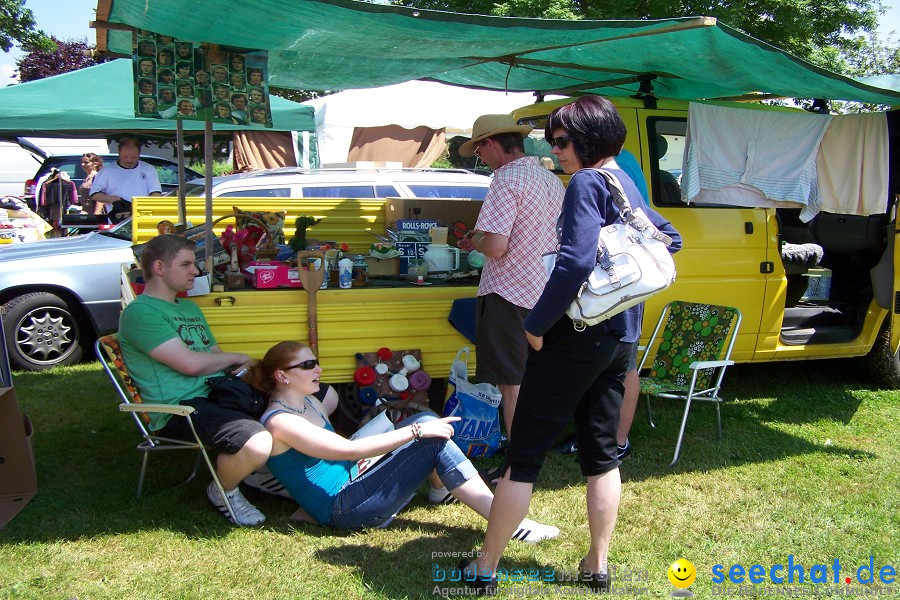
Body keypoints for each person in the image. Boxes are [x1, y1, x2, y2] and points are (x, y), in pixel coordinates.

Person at [461, 96, 681, 594]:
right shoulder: (621, 179)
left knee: (524, 456)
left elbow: (576, 261)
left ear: (585, 140)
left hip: (576, 335)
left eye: (560, 141)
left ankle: (485, 568)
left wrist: (537, 324)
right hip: (620, 336)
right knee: (602, 455)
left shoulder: (585, 181)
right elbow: (670, 238)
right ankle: (597, 565)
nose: (554, 150)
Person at [246, 340, 560, 541]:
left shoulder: (309, 401)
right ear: (282, 376)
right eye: (308, 365)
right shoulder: (281, 422)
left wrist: (411, 429)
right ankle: (508, 521)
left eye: (315, 361)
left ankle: (440, 491)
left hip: (353, 481)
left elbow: (338, 456)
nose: (319, 369)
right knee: (429, 438)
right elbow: (348, 449)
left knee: (426, 419)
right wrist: (412, 434)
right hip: (344, 508)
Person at [119, 235, 270, 526]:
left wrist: (245, 371)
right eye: (186, 264)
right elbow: (190, 364)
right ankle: (223, 491)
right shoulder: (141, 312)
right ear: (160, 267)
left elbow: (211, 356)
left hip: (216, 391)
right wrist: (237, 358)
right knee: (257, 442)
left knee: (307, 397)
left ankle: (272, 474)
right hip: (180, 407)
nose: (195, 271)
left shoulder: (189, 308)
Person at [456, 114, 565, 450]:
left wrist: (475, 240)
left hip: (509, 292)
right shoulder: (549, 179)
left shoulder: (505, 180)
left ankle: (519, 460)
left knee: (512, 383)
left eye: (479, 151)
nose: (481, 159)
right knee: (538, 377)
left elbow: (497, 246)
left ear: (490, 143)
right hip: (546, 291)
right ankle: (535, 443)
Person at [89, 136, 162, 217]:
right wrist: (111, 199)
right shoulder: (107, 171)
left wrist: (147, 205)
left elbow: (156, 193)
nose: (129, 160)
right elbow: (94, 194)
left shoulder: (148, 169)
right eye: (125, 157)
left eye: (133, 157)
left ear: (139, 154)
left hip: (143, 216)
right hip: (117, 218)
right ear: (119, 153)